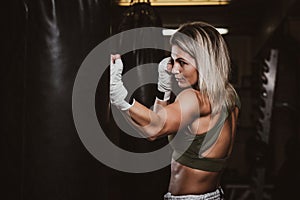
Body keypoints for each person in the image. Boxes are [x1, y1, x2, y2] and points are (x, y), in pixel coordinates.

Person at [109, 21, 240, 200]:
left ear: (204, 63)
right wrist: (163, 88)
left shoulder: (194, 98)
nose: (175, 69)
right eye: (173, 60)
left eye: (182, 62)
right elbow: (154, 127)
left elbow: (154, 129)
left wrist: (121, 97)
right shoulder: (229, 96)